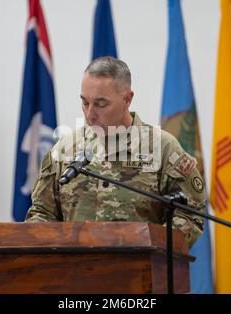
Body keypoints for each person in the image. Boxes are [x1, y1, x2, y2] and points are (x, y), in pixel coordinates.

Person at [25, 56, 206, 248]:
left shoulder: (162, 148)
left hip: (141, 272)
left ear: (127, 99)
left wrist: (156, 247)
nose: (90, 115)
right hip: (74, 272)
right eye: (85, 103)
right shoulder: (65, 149)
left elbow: (191, 213)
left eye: (101, 104)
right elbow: (42, 212)